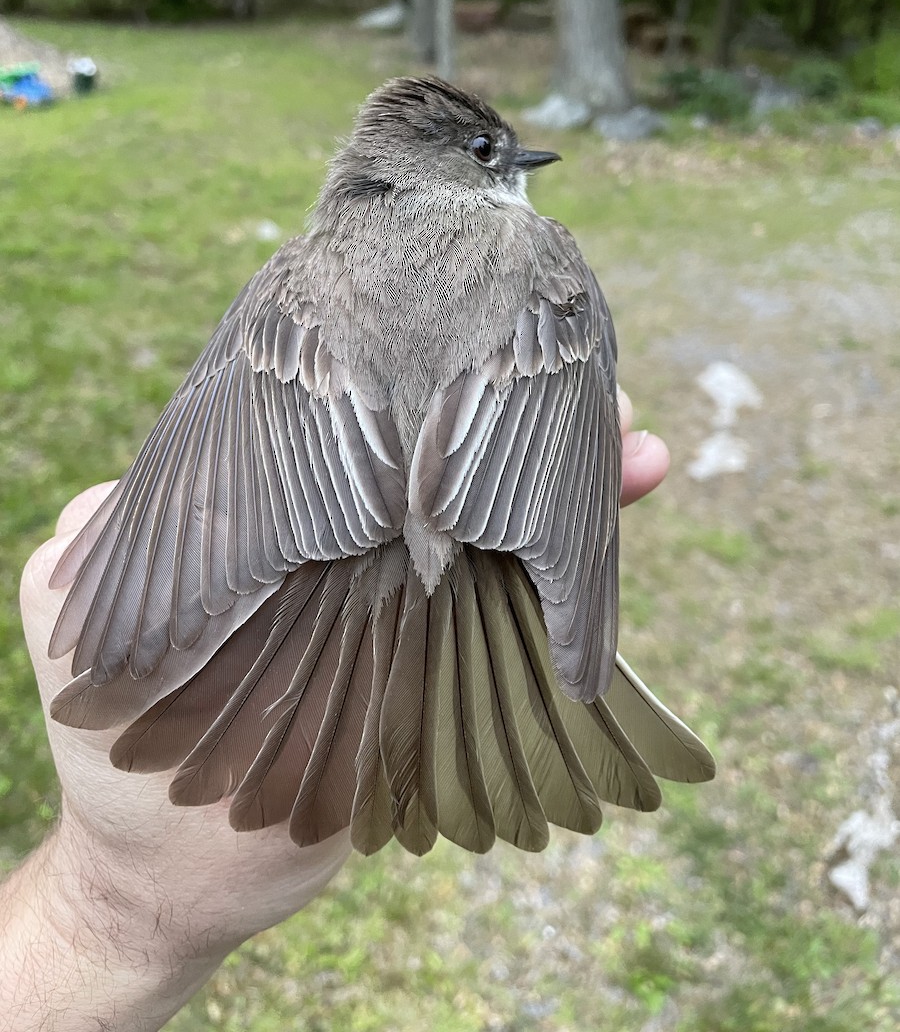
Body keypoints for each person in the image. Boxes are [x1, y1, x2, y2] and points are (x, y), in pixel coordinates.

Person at [0, 392, 668, 1032]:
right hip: (463, 559)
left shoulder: (302, 272)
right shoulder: (561, 280)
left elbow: (220, 406)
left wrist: (107, 912)